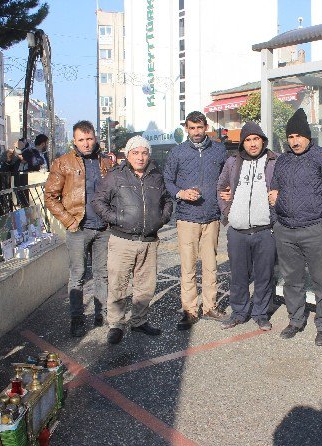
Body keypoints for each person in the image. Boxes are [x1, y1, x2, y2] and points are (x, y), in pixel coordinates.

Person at [269, 108, 322, 346]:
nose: (295, 141)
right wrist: (275, 220)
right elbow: (273, 191)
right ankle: (296, 320)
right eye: (290, 137)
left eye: (299, 136)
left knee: (321, 280)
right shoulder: (282, 160)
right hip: (286, 231)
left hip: (315, 230)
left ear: (308, 137)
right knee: (291, 280)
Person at [92, 136, 173, 345]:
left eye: (144, 152)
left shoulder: (156, 176)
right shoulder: (115, 176)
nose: (140, 157)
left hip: (149, 240)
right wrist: (117, 219)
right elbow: (98, 201)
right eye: (135, 153)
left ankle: (139, 320)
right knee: (118, 285)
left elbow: (167, 201)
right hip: (122, 240)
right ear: (128, 155)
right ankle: (116, 324)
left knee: (145, 286)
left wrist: (160, 220)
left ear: (149, 155)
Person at [45, 120, 113, 337]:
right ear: (74, 141)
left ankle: (101, 313)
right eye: (81, 140)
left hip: (103, 228)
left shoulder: (105, 162)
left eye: (89, 138)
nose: (86, 143)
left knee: (102, 273)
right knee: (78, 274)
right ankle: (76, 318)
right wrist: (68, 221)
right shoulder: (62, 163)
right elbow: (50, 196)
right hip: (78, 228)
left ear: (95, 138)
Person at [163, 111, 228, 330]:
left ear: (206, 127)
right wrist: (181, 193)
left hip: (211, 217)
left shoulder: (219, 150)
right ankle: (190, 310)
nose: (196, 132)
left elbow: (227, 177)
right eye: (192, 128)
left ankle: (210, 306)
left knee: (210, 266)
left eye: (200, 128)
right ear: (186, 129)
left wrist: (226, 193)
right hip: (187, 218)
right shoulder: (177, 152)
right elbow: (168, 181)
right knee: (188, 267)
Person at [217, 121, 277, 331]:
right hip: (238, 231)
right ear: (243, 143)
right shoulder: (232, 162)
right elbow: (221, 187)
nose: (252, 144)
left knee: (264, 276)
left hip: (264, 230)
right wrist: (228, 213)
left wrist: (276, 205)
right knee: (238, 276)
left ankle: (261, 313)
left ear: (262, 140)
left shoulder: (274, 161)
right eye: (248, 140)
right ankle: (239, 312)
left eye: (256, 139)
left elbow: (282, 189)